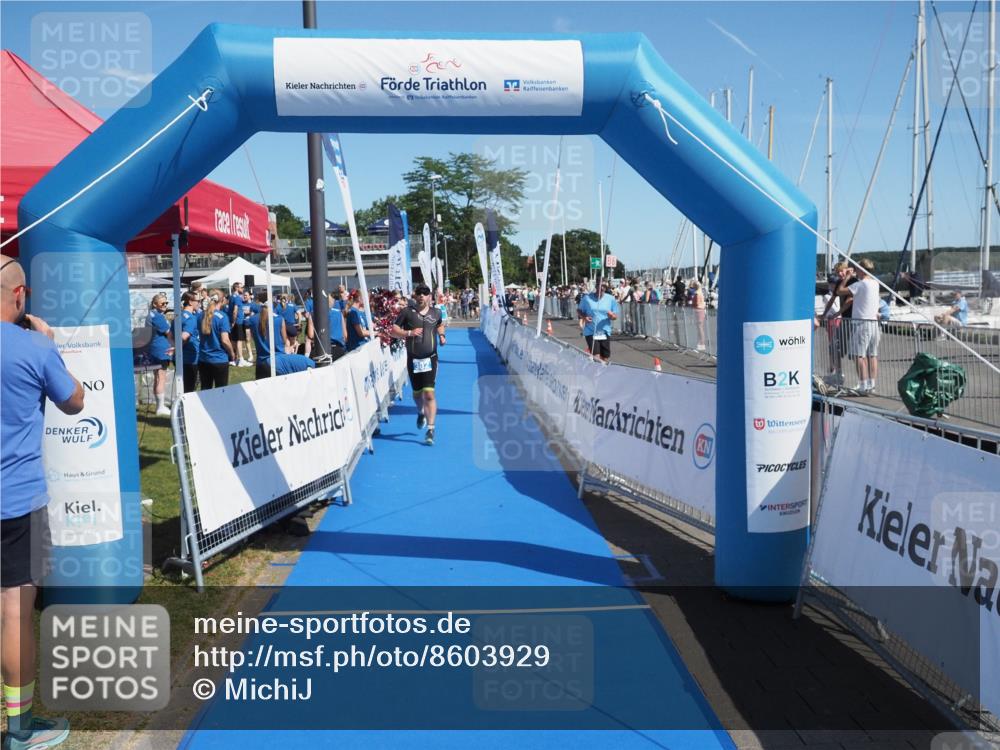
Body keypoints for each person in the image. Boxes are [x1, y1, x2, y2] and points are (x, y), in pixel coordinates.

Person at [1, 257, 83, 750]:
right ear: (20, 295)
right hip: (17, 501)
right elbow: (74, 401)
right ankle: (18, 729)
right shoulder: (34, 346)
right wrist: (51, 347)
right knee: (14, 612)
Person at [391, 284, 446, 446]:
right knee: (417, 394)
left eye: (425, 293)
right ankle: (420, 412)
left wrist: (442, 336)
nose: (422, 296)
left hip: (431, 359)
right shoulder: (407, 312)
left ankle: (430, 429)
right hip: (414, 359)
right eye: (419, 293)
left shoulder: (436, 312)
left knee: (429, 394)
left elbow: (439, 324)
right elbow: (394, 330)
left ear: (429, 296)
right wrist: (408, 333)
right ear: (415, 296)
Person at [847, 259, 880, 394]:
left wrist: (848, 277)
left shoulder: (860, 285)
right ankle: (871, 385)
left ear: (861, 269)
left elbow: (840, 291)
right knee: (872, 355)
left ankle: (862, 385)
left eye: (856, 268)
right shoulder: (875, 283)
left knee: (859, 356)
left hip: (862, 323)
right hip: (873, 323)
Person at [198, 289, 235, 389]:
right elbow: (225, 340)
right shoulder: (222, 317)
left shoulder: (200, 315)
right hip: (219, 359)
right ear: (222, 300)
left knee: (205, 391)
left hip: (203, 359)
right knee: (222, 392)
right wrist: (232, 353)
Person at [577, 279, 620, 363]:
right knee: (596, 357)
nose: (602, 288)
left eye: (604, 286)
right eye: (600, 285)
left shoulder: (610, 299)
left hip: (604, 331)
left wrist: (612, 316)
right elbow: (579, 310)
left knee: (605, 358)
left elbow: (615, 316)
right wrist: (584, 317)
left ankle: (602, 374)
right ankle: (596, 374)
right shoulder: (587, 298)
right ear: (596, 286)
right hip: (591, 331)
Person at [147, 294, 174, 416]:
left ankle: (160, 405)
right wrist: (174, 345)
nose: (165, 305)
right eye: (162, 303)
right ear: (155, 304)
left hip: (154, 348)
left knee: (158, 377)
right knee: (160, 377)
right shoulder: (157, 316)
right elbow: (169, 333)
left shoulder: (152, 314)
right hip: (160, 349)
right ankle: (160, 407)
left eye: (166, 303)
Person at [178, 292, 201, 393]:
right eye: (198, 301)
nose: (199, 303)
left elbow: (170, 335)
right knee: (189, 389)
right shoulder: (191, 318)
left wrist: (175, 348)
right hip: (190, 357)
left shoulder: (178, 316)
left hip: (180, 358)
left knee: (182, 386)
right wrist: (177, 348)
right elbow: (184, 336)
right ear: (191, 302)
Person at [228, 282, 251, 367]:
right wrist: (234, 322)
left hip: (234, 321)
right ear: (237, 288)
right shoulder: (237, 297)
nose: (243, 289)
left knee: (234, 340)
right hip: (238, 322)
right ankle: (241, 359)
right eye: (242, 287)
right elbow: (235, 310)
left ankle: (236, 359)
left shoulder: (231, 297)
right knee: (239, 340)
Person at [328, 290, 348, 362]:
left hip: (321, 349)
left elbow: (311, 335)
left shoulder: (316, 314)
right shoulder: (339, 313)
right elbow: (345, 335)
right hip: (338, 348)